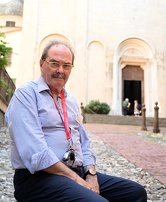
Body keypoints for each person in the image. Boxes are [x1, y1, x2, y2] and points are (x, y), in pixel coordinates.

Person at [5, 40, 147, 202]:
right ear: (41, 63)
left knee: (135, 193)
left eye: (66, 66)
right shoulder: (26, 95)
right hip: (37, 178)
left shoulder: (70, 100)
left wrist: (91, 175)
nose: (60, 70)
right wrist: (79, 182)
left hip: (74, 172)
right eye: (54, 64)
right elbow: (35, 153)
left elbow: (83, 143)